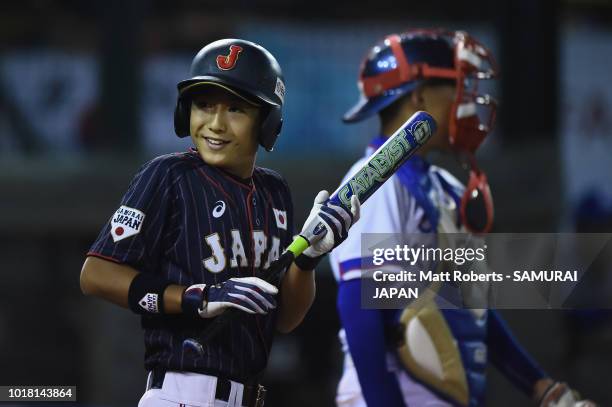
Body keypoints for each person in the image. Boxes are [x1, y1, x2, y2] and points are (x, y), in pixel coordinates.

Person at [79, 38, 359, 407]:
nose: (215, 123)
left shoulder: (275, 191)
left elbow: (286, 319)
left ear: (267, 121)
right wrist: (195, 298)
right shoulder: (169, 175)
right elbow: (95, 274)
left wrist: (307, 258)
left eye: (236, 109)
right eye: (204, 105)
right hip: (181, 394)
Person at [330, 29, 595, 407]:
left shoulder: (445, 186)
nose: (467, 102)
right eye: (456, 87)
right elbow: (358, 308)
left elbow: (475, 313)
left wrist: (542, 388)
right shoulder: (376, 181)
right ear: (418, 97)